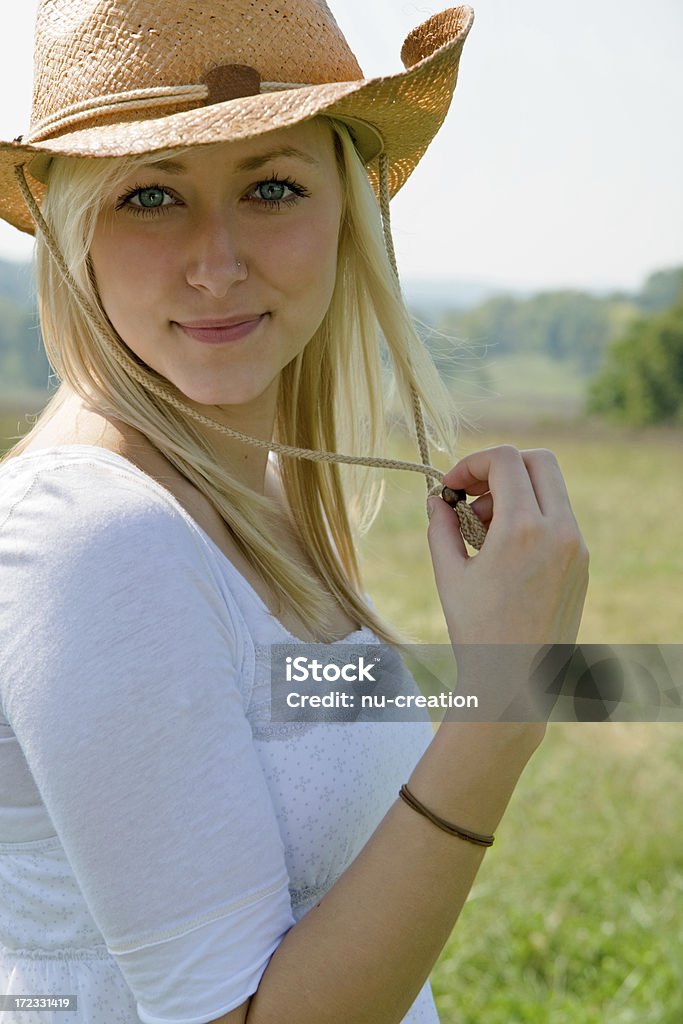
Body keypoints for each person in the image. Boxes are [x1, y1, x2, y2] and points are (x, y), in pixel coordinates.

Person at [0, 2, 588, 1022]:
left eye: (272, 186)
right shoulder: (96, 540)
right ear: (69, 223)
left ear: (350, 207)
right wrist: (499, 709)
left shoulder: (245, 496)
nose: (217, 262)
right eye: (150, 195)